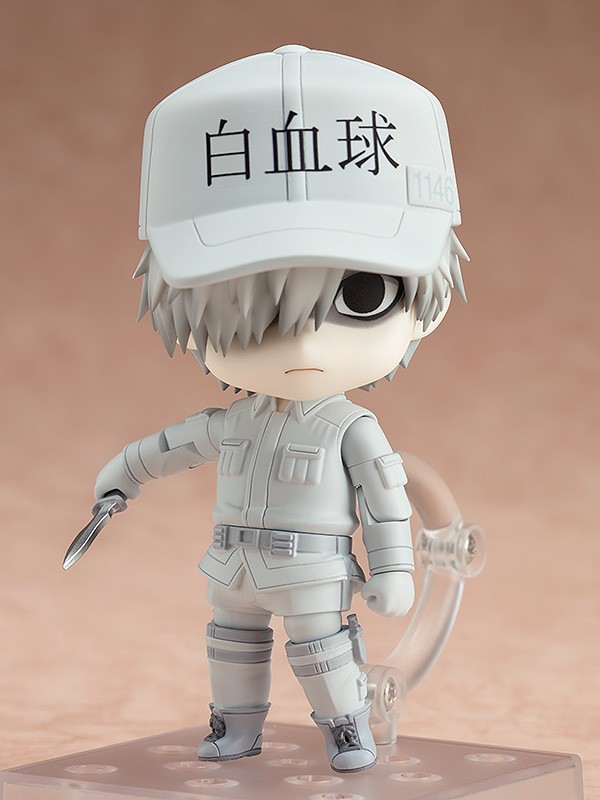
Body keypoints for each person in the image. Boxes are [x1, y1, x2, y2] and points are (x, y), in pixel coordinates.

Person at [93, 45, 468, 773]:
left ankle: (347, 727)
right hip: (233, 561)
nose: (301, 341)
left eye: (361, 296)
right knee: (230, 645)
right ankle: (235, 728)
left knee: (322, 650)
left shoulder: (350, 428)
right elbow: (172, 446)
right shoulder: (237, 422)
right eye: (248, 312)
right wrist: (121, 476)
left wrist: (395, 571)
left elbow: (386, 500)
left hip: (312, 569)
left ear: (427, 304)